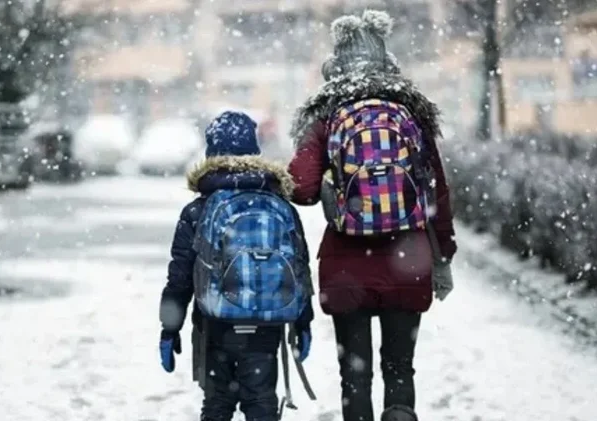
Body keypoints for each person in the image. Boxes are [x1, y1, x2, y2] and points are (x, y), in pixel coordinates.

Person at [287, 11, 457, 421]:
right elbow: (437, 193)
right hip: (407, 259)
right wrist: (443, 256)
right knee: (399, 367)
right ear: (386, 60)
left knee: (354, 375)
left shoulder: (325, 116)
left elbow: (302, 188)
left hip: (347, 265)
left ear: (336, 64)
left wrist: (332, 186)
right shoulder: (411, 113)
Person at [158, 111, 315, 421]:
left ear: (211, 153)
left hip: (215, 322)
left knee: (217, 404)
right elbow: (299, 267)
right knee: (261, 402)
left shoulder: (198, 209)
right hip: (267, 323)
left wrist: (169, 329)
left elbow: (180, 277)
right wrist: (303, 321)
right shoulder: (278, 203)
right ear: (254, 152)